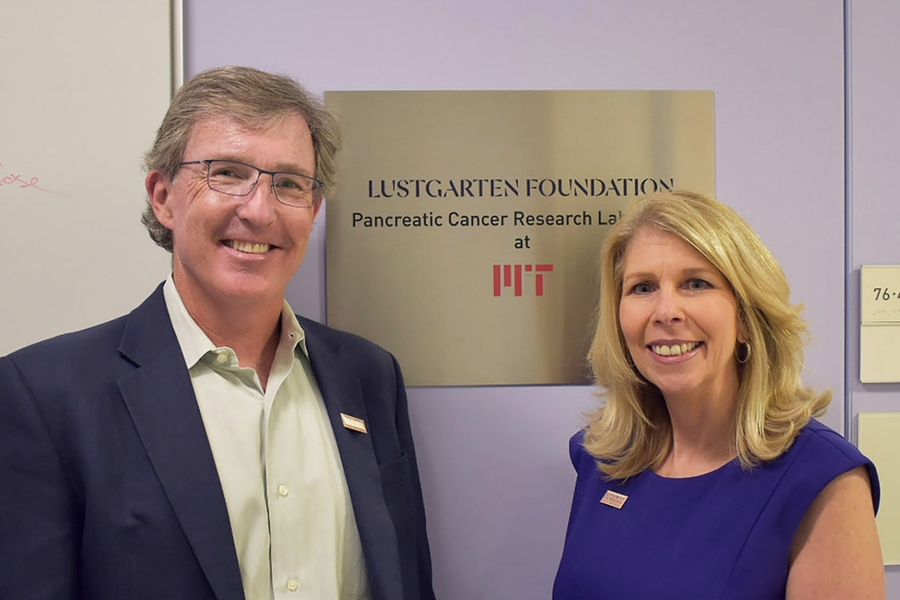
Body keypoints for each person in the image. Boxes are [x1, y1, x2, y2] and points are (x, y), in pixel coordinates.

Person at [0, 66, 435, 600]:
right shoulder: (45, 394)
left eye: (290, 184)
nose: (259, 209)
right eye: (227, 173)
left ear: (314, 211)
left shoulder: (369, 375)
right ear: (163, 196)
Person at [553, 190, 884, 599]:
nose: (665, 311)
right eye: (642, 287)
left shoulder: (821, 478)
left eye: (696, 283)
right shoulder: (600, 458)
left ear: (746, 318)